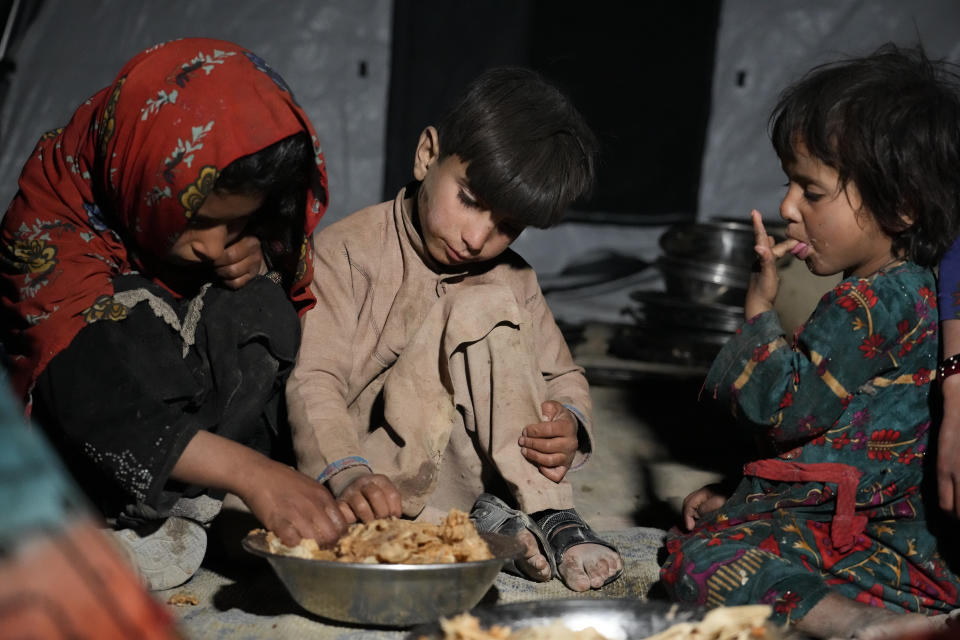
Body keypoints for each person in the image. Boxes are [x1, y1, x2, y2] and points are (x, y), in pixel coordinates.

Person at [0, 37, 348, 590]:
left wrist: (258, 251)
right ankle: (126, 520)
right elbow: (89, 398)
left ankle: (206, 510)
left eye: (237, 222)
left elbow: (275, 274)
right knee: (121, 330)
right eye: (200, 220)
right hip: (93, 445)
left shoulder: (224, 233)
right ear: (148, 176)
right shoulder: (49, 220)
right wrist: (255, 475)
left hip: (203, 453)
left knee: (261, 302)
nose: (213, 247)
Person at [660, 44, 960, 639]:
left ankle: (861, 626)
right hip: (903, 548)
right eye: (788, 185)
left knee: (693, 559)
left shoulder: (863, 306)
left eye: (811, 191)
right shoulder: (922, 289)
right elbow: (838, 440)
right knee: (726, 531)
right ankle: (907, 623)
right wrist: (746, 500)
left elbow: (779, 411)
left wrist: (757, 309)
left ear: (900, 206)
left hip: (855, 538)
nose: (786, 207)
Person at [286, 66, 623, 592]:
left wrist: (571, 425)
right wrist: (345, 470)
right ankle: (487, 525)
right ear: (427, 155)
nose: (476, 237)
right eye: (469, 200)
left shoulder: (514, 275)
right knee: (477, 307)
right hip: (379, 474)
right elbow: (315, 379)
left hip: (480, 470)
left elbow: (563, 373)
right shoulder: (347, 252)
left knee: (493, 301)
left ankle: (537, 516)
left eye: (507, 225)